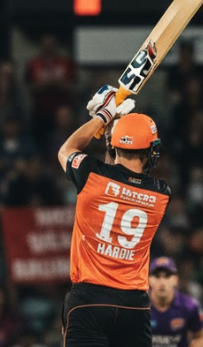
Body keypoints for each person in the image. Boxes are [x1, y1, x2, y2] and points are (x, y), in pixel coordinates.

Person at [57, 85, 170, 347]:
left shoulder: (91, 176)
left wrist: (104, 117)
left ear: (113, 146)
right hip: (135, 306)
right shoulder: (162, 194)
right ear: (149, 152)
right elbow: (121, 176)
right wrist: (114, 129)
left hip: (89, 301)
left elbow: (67, 149)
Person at [148, 256, 203, 347]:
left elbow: (201, 336)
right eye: (157, 276)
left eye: (167, 276)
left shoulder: (190, 306)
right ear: (148, 279)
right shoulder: (138, 306)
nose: (162, 282)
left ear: (176, 279)